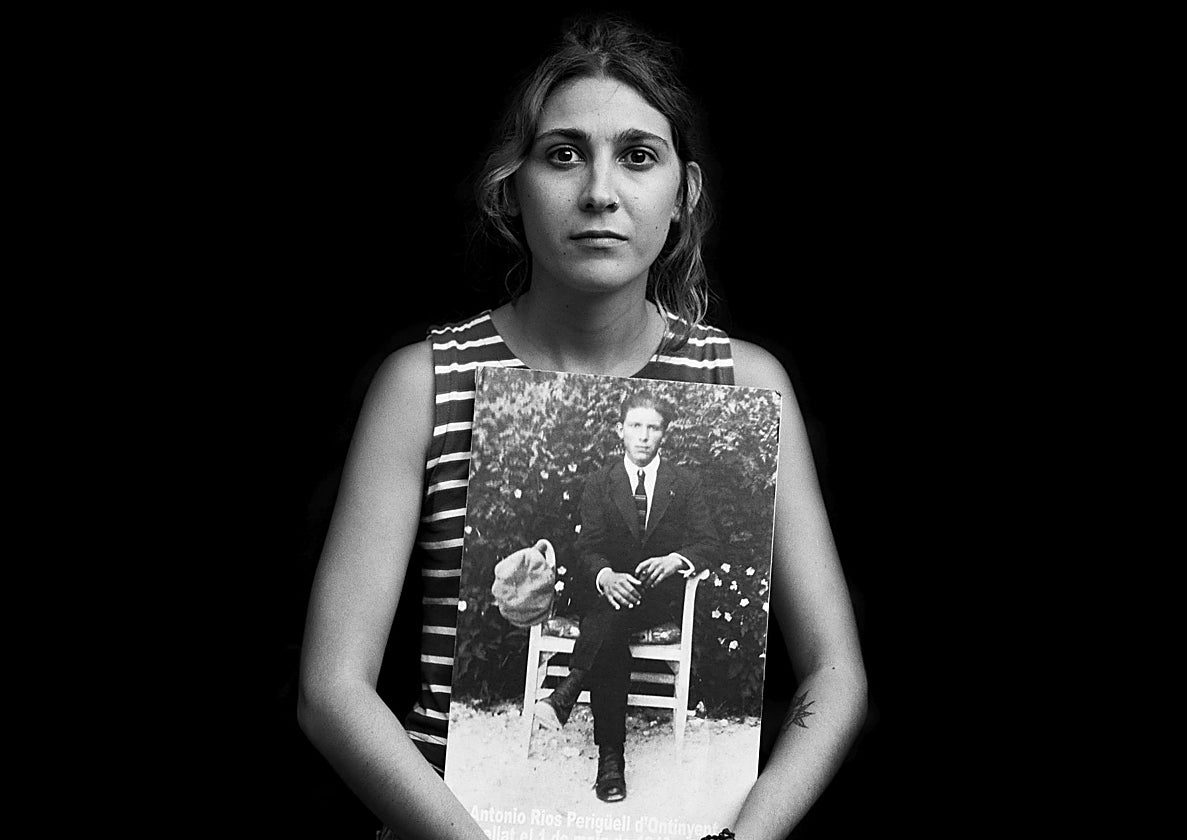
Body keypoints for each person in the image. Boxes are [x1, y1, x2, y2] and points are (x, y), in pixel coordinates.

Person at [297, 14, 867, 840]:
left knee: (616, 612)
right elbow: (331, 689)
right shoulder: (424, 385)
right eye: (563, 155)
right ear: (511, 186)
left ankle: (569, 709)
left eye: (638, 156)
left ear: (684, 194)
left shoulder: (743, 384)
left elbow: (837, 675)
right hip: (447, 833)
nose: (600, 191)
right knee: (605, 603)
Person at [533, 390, 720, 802]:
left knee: (610, 621)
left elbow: (709, 542)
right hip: (604, 594)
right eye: (635, 426)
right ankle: (610, 761)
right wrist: (605, 575)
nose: (643, 436)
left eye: (653, 428)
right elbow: (587, 547)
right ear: (621, 430)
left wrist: (675, 560)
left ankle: (571, 691)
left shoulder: (684, 483)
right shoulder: (600, 482)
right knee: (611, 625)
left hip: (655, 599)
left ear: (665, 434)